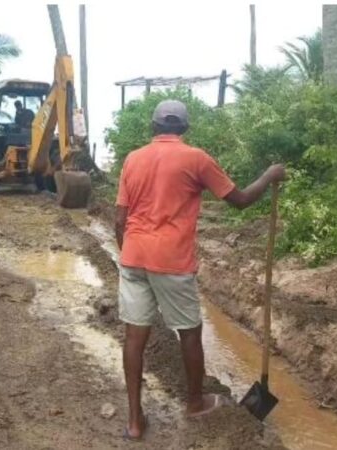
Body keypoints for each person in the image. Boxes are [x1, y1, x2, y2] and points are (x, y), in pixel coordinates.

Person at [115, 99, 286, 439]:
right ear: (185, 128)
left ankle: (135, 421)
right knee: (190, 332)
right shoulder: (196, 159)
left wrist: (132, 254)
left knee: (134, 337)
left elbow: (119, 218)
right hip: (172, 261)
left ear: (154, 127)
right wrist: (269, 176)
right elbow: (239, 201)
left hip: (133, 257)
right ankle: (195, 403)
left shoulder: (133, 159)